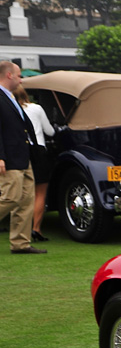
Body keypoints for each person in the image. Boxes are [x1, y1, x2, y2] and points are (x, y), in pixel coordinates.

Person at [0, 61, 43, 254]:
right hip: (9, 158)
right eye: (18, 75)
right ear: (9, 75)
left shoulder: (11, 97)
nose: (21, 79)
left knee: (26, 200)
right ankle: (20, 242)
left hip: (23, 157)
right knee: (11, 198)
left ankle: (20, 243)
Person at [14, 86, 53, 243]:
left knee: (19, 193)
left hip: (17, 151)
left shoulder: (10, 110)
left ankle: (18, 229)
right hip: (38, 150)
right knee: (40, 193)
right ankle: (36, 228)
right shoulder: (36, 108)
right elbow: (49, 131)